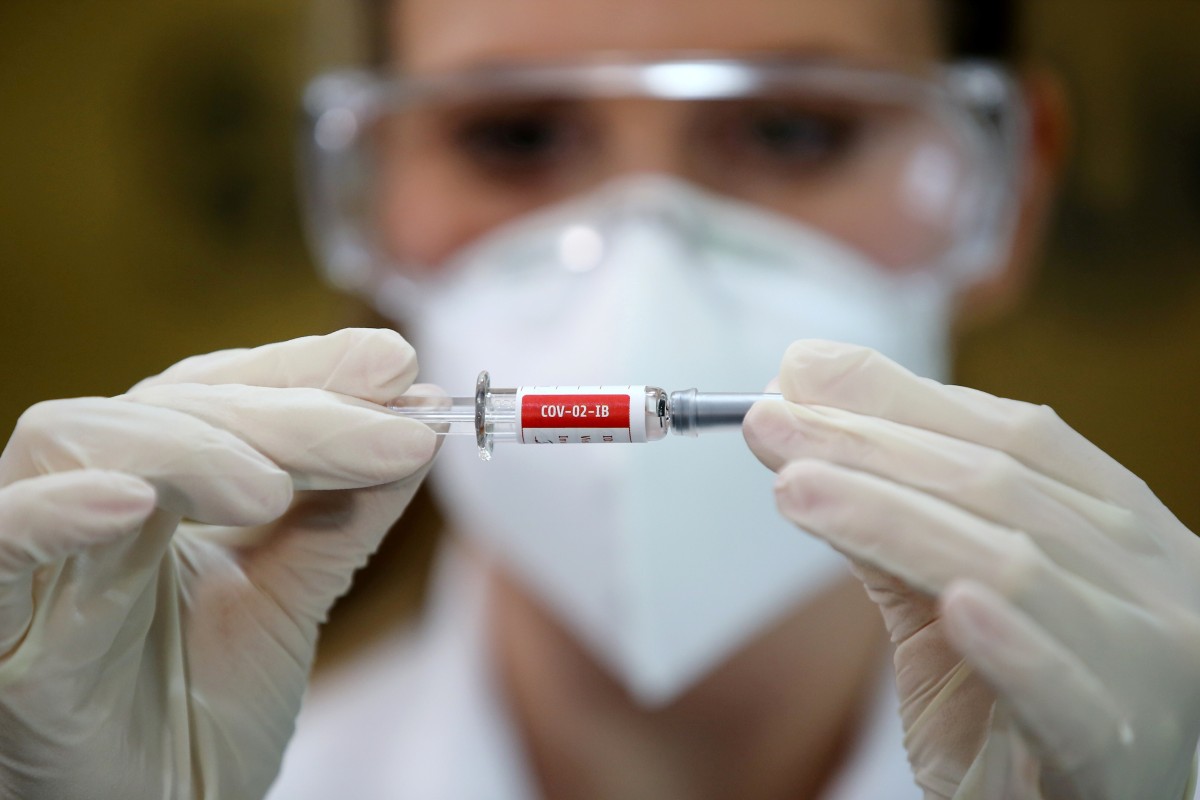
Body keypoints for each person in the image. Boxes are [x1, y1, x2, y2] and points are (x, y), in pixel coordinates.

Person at [1, 1, 1198, 799]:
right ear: (360, 188)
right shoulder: (177, 770)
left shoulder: (1160, 757)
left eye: (792, 129)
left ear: (1007, 185)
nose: (644, 260)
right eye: (515, 134)